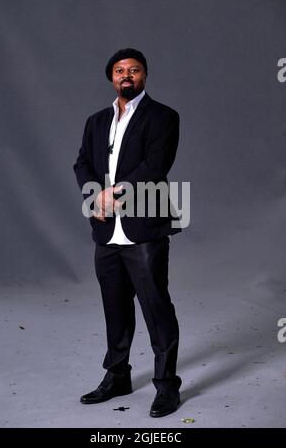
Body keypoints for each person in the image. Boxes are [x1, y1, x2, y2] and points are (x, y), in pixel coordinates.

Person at [73, 48, 182, 417]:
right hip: (106, 230)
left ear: (145, 76)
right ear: (111, 78)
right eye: (120, 70)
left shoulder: (163, 116)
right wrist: (94, 193)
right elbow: (82, 163)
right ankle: (117, 376)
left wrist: (110, 194)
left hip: (145, 229)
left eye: (134, 70)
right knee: (115, 310)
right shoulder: (95, 121)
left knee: (157, 309)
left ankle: (167, 386)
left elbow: (155, 165)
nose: (126, 76)